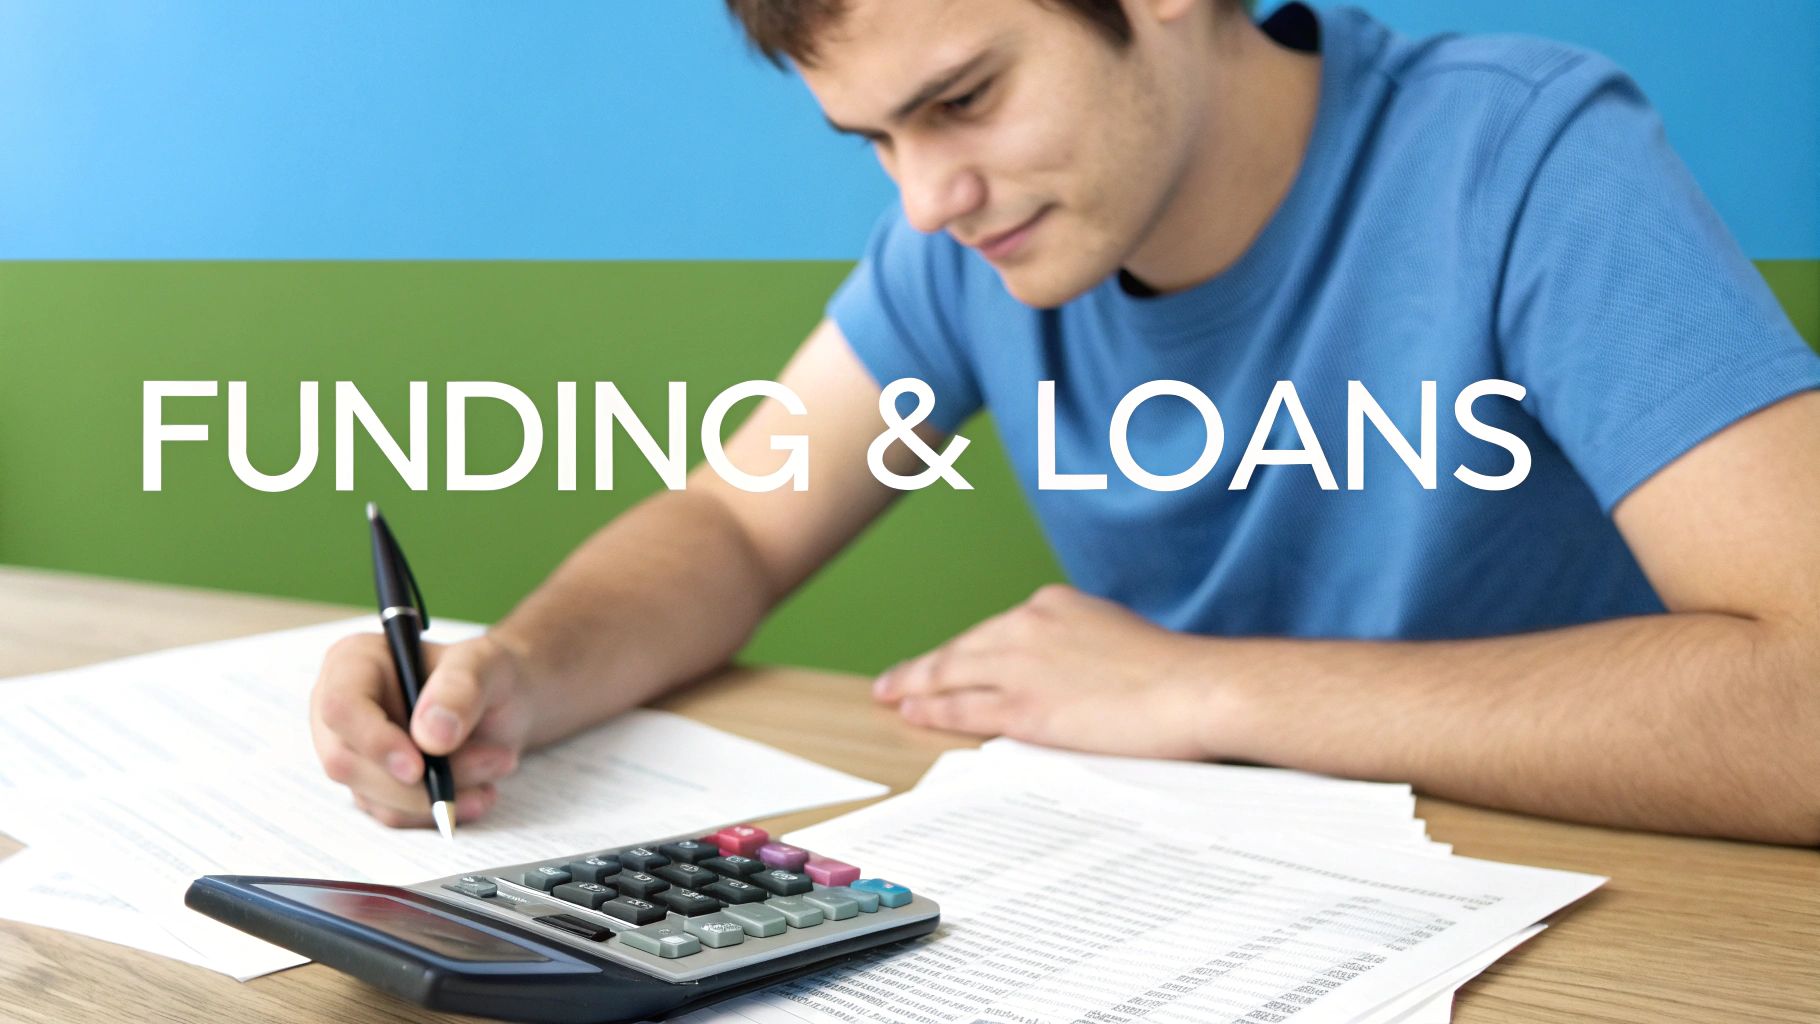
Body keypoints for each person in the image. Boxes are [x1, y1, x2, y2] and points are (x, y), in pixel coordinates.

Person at [310, 0, 1820, 844]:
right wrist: (519, 673)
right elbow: (736, 522)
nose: (926, 200)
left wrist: (1207, 691)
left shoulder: (1521, 158)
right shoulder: (974, 242)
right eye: (875, 139)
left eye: (965, 99)